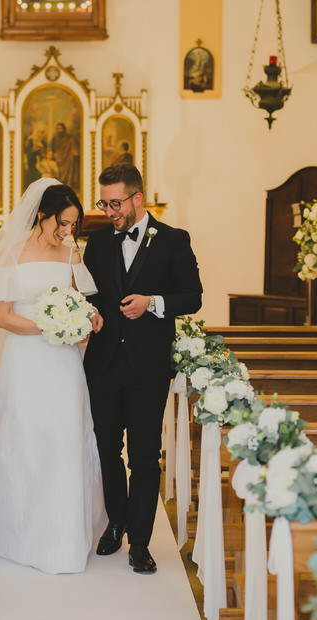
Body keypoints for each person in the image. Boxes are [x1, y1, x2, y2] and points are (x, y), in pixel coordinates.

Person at [0, 178, 107, 574]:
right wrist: (48, 325)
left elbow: (87, 303)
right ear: (41, 215)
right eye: (62, 222)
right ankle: (11, 527)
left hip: (63, 365)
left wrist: (88, 318)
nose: (67, 231)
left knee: (65, 436)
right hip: (25, 359)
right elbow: (3, 315)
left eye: (73, 224)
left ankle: (63, 535)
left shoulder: (71, 253)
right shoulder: (10, 254)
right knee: (22, 435)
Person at [82, 163, 203, 574]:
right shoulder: (96, 242)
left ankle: (141, 542)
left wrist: (152, 302)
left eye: (116, 203)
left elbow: (192, 297)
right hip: (103, 364)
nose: (109, 211)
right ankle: (115, 523)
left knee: (146, 457)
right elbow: (89, 294)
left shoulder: (173, 240)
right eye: (104, 202)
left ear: (137, 198)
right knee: (106, 450)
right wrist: (88, 314)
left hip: (148, 365)